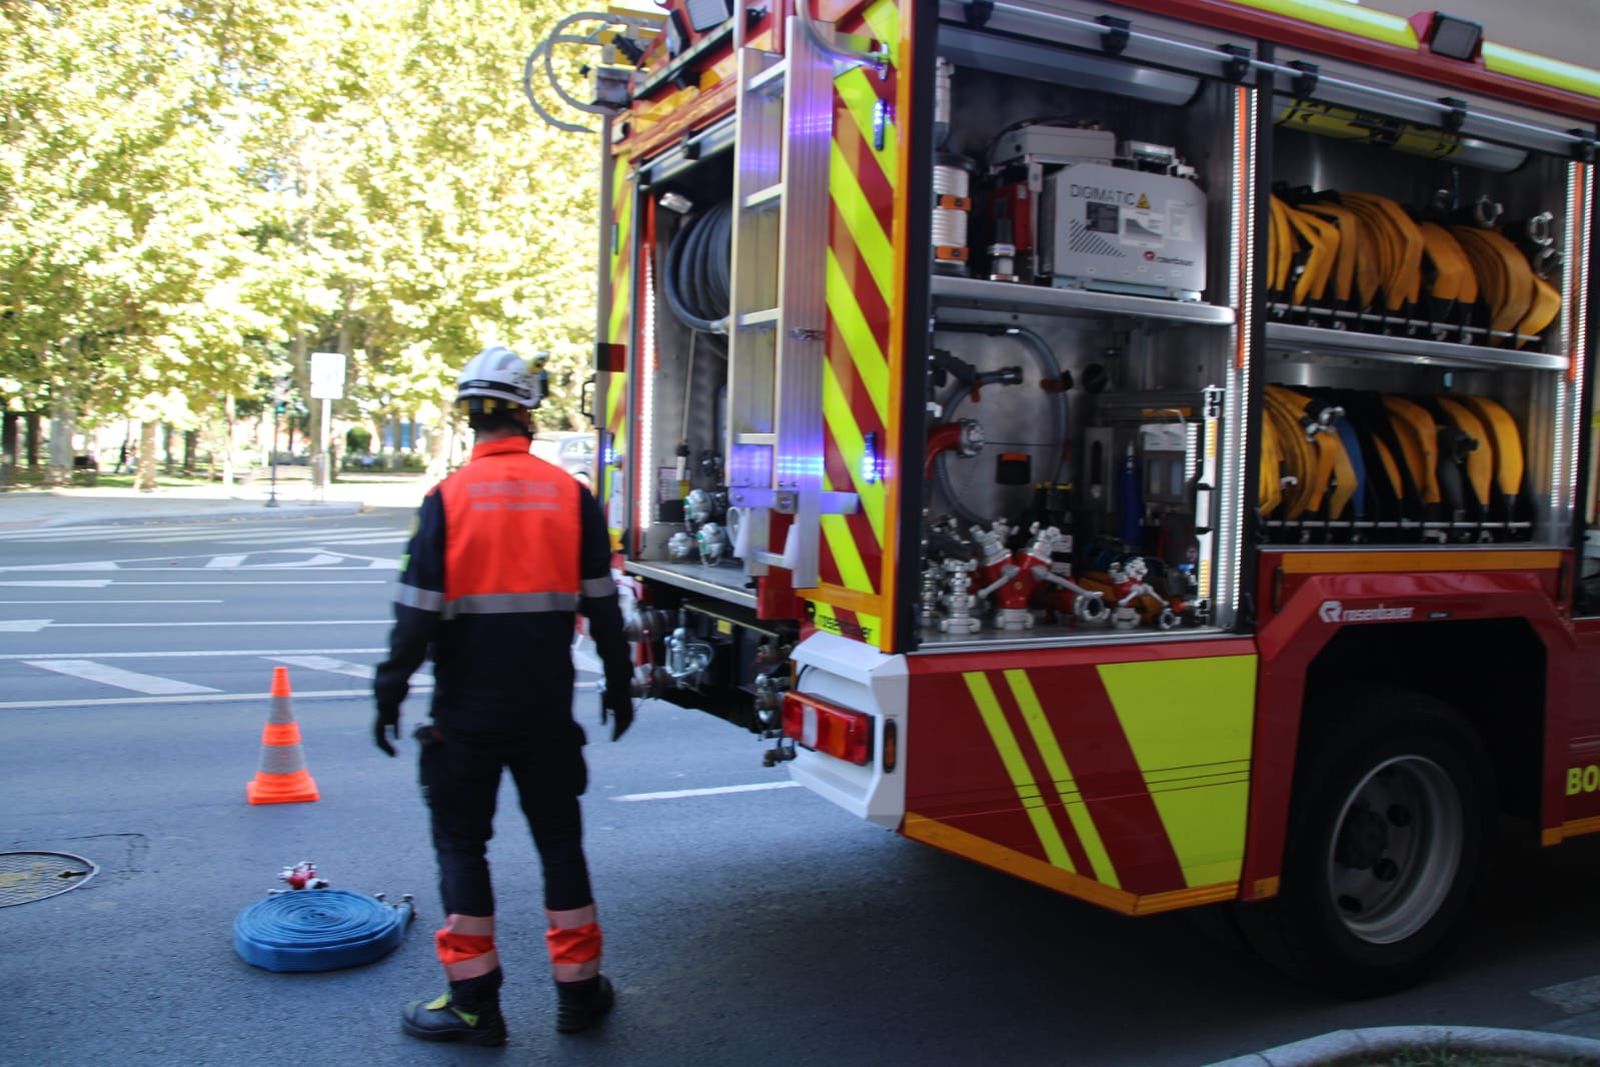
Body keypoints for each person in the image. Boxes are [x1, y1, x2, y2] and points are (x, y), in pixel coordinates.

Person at [373, 345, 635, 1047]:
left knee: (462, 847)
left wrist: (388, 692)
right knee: (561, 845)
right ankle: (580, 996)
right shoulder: (570, 495)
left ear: (469, 418)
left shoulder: (447, 500)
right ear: (528, 414)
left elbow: (414, 618)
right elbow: (605, 608)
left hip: (465, 720)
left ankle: (473, 1005)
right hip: (547, 715)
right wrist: (619, 682)